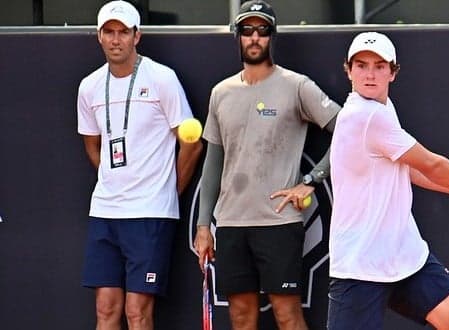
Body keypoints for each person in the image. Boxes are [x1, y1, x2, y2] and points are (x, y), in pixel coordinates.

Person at [327, 31, 449, 330]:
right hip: (360, 267)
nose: (370, 74)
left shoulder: (383, 109)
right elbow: (431, 163)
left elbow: (411, 171)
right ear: (348, 70)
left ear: (393, 72)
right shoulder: (364, 117)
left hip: (407, 257)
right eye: (361, 65)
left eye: (379, 66)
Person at [193, 1, 341, 329]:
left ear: (272, 36)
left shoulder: (296, 86)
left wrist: (313, 179)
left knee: (287, 314)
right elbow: (213, 162)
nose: (255, 37)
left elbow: (349, 129)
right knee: (241, 316)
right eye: (247, 30)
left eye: (263, 30)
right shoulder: (221, 93)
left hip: (279, 222)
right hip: (231, 224)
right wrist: (204, 225)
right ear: (238, 36)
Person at [76, 1, 202, 329]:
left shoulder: (162, 78)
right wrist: (113, 178)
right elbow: (93, 145)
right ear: (99, 37)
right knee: (105, 310)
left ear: (137, 36)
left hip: (150, 214)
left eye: (123, 32)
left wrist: (166, 192)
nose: (116, 39)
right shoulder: (89, 86)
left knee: (137, 312)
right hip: (105, 211)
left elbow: (192, 143)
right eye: (109, 32)